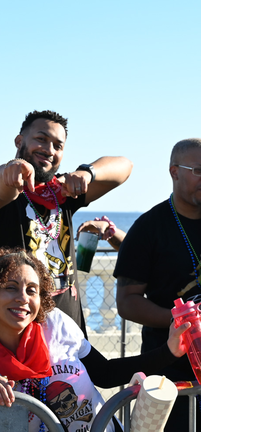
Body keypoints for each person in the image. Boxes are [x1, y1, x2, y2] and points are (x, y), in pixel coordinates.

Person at [0, 247, 190, 432]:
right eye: (11, 287)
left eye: (32, 290)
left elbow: (105, 373)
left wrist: (168, 352)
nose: (23, 298)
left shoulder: (55, 323)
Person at [0, 110, 133, 337]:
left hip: (68, 347)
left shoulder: (59, 193)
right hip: (8, 345)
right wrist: (10, 172)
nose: (49, 150)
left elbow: (124, 167)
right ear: (19, 141)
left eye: (58, 145)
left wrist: (86, 173)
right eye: (41, 139)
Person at [113, 138, 201, 432]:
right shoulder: (148, 228)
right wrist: (180, 322)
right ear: (175, 172)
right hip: (170, 374)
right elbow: (127, 301)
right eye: (200, 171)